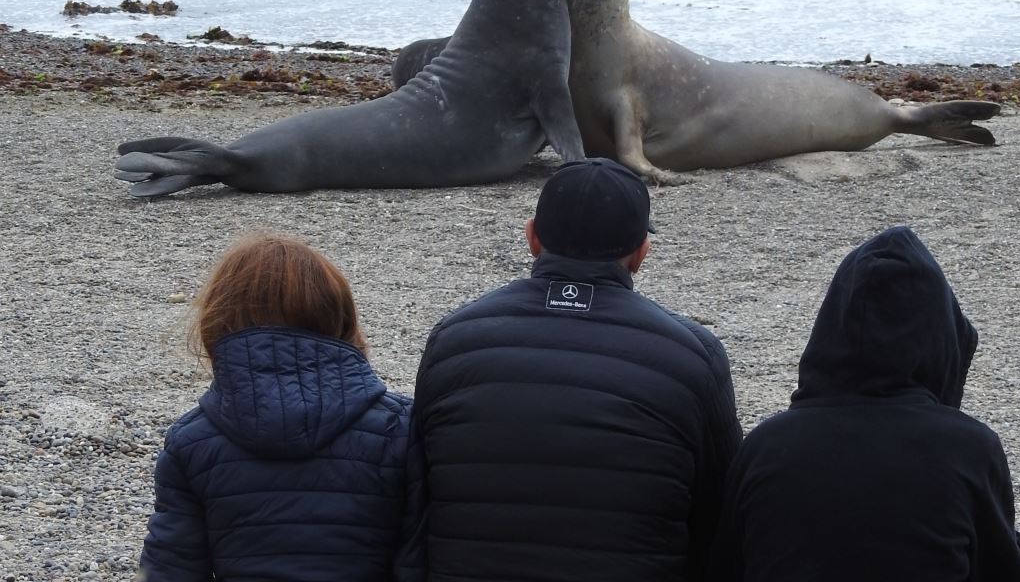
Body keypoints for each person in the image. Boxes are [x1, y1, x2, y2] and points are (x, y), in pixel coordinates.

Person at [707, 226, 1020, 582]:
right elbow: (1009, 574)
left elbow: (725, 567)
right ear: (941, 340)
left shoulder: (765, 446)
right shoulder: (967, 446)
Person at [405, 157, 742, 581]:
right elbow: (723, 513)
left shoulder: (452, 340)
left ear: (532, 238)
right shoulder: (694, 356)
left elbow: (417, 493)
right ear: (641, 253)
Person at [139, 233, 419, 581]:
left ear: (218, 322)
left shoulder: (191, 441)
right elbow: (425, 559)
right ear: (340, 316)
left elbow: (169, 570)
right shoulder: (401, 427)